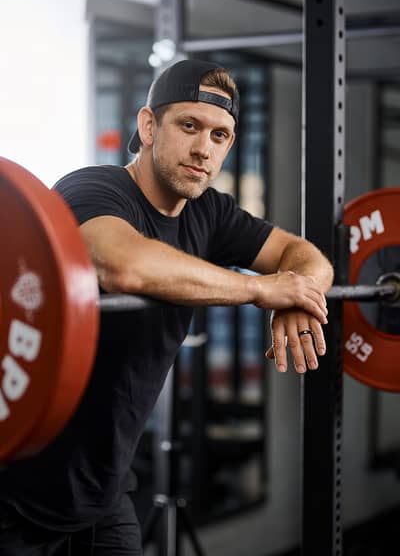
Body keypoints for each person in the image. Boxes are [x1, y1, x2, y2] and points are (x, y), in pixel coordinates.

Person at [0, 58, 334, 555]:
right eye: (189, 125)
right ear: (149, 125)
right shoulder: (92, 189)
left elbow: (308, 257)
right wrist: (261, 289)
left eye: (220, 136)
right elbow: (124, 266)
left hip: (103, 495)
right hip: (14, 496)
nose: (203, 148)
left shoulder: (210, 213)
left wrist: (298, 294)